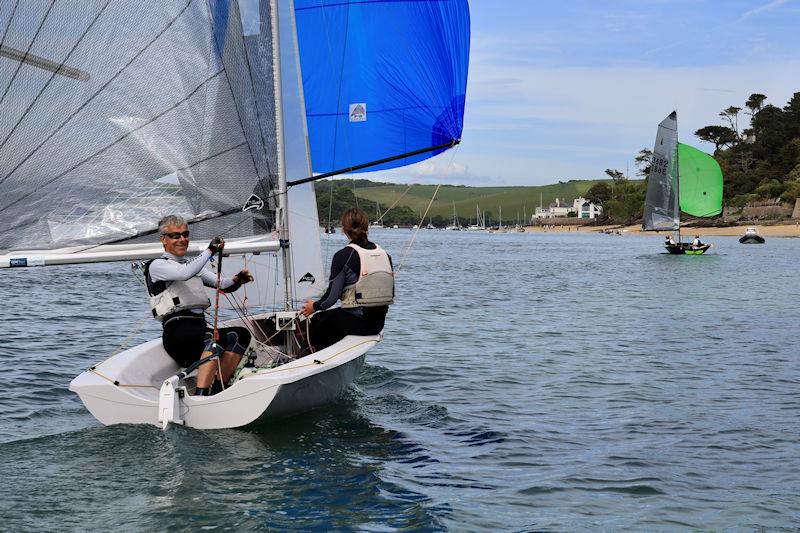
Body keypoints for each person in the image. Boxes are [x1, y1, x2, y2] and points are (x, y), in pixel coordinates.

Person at [144, 215, 254, 395]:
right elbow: (184, 273)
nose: (182, 239)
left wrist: (239, 279)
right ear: (163, 240)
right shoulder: (157, 265)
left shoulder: (191, 266)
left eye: (186, 235)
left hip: (198, 330)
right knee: (213, 340)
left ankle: (219, 389)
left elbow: (224, 285)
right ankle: (202, 396)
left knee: (240, 335)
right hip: (178, 334)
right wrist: (210, 250)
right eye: (176, 236)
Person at [300, 208, 394, 352]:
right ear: (366, 227)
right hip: (378, 324)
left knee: (318, 321)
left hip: (358, 323)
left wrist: (314, 306)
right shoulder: (385, 255)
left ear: (343, 229)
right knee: (335, 317)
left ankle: (307, 358)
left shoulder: (343, 256)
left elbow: (330, 299)